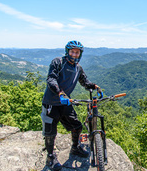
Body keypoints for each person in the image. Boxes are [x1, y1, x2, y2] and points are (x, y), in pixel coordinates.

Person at [41, 40, 103, 170]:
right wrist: (60, 93)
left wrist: (94, 86)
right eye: (72, 51)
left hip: (66, 103)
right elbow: (51, 79)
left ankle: (75, 148)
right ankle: (50, 157)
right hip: (51, 103)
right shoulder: (58, 62)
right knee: (50, 133)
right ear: (67, 51)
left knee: (76, 126)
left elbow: (85, 82)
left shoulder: (78, 68)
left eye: (77, 52)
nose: (74, 54)